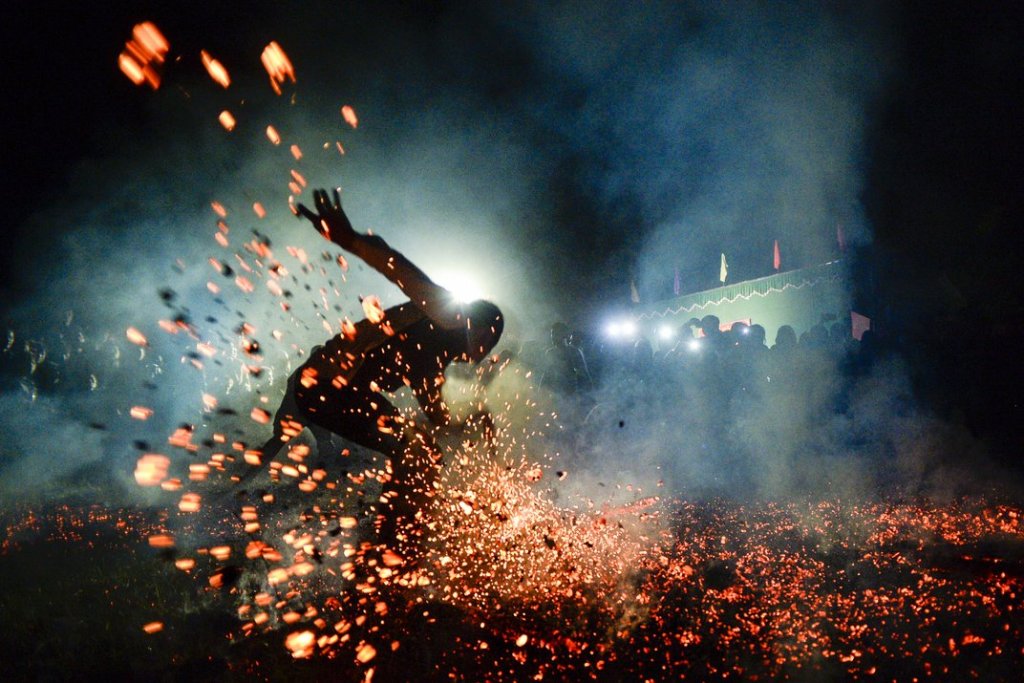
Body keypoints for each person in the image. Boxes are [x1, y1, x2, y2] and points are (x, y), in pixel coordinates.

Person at [262, 188, 504, 558]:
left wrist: (470, 424)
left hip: (331, 386)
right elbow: (399, 268)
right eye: (489, 341)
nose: (483, 355)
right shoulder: (451, 315)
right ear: (480, 328)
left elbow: (435, 416)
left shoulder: (436, 355)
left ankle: (388, 551)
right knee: (419, 453)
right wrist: (351, 240)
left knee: (422, 452)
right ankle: (386, 557)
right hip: (326, 384)